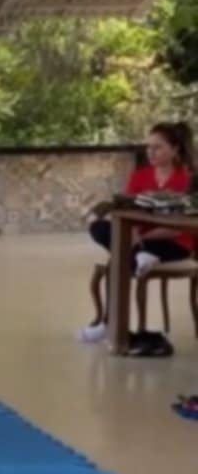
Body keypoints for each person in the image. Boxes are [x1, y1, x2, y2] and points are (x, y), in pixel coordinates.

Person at [80, 121, 195, 343]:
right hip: (141, 241)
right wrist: (135, 240)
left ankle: (108, 325)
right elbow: (128, 214)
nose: (150, 152)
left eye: (157, 147)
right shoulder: (140, 176)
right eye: (148, 147)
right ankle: (141, 256)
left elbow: (179, 226)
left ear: (175, 149)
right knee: (99, 227)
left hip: (175, 243)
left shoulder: (188, 180)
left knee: (118, 260)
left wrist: (140, 238)